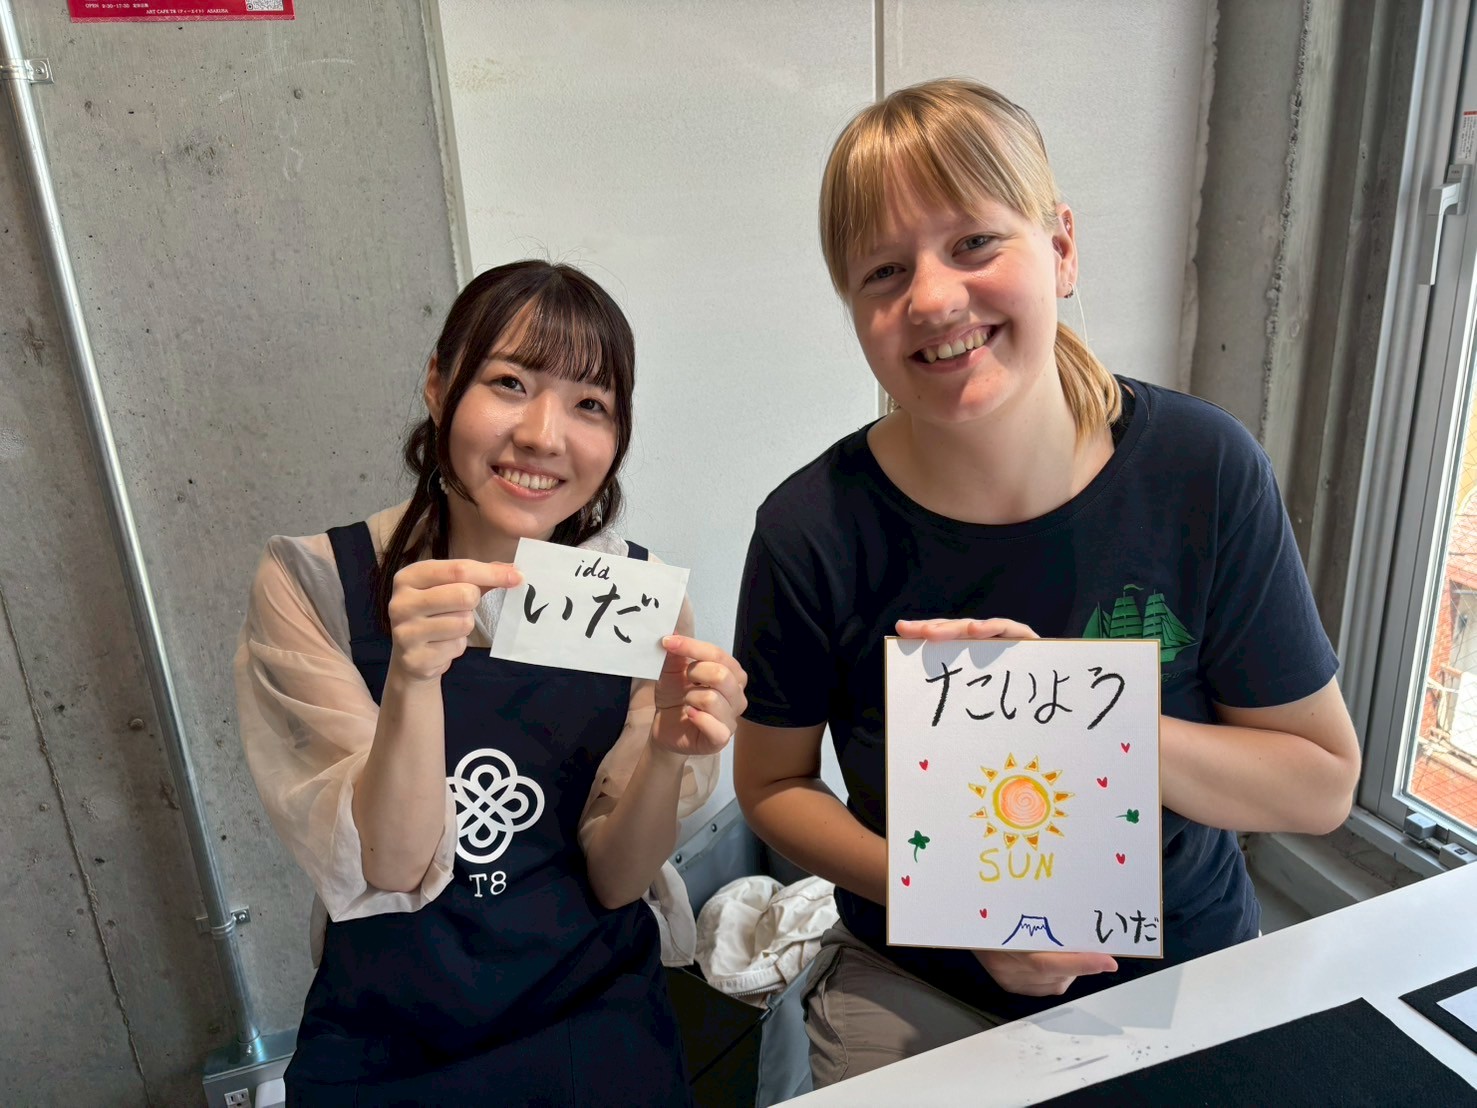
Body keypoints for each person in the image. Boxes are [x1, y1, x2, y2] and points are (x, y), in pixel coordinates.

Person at [731, 78, 1361, 1088]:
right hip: (918, 974)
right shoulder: (810, 527)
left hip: (1183, 966)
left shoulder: (1201, 470)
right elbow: (771, 783)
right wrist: (950, 899)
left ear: (1060, 248)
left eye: (974, 242)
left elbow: (1319, 783)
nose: (932, 298)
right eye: (883, 271)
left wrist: (1079, 717)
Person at [234, 260, 747, 1106]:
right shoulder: (316, 582)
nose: (544, 435)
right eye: (510, 382)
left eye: (590, 404)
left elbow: (617, 880)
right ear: (439, 385)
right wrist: (412, 676)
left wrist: (665, 751)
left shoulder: (637, 601)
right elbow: (393, 865)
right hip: (391, 1035)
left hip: (592, 1015)